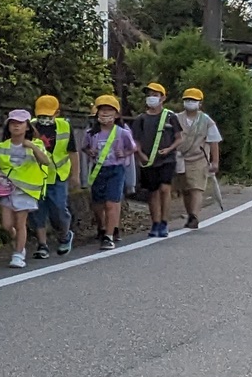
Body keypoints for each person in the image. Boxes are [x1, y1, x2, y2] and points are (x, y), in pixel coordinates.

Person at [0, 108, 54, 269]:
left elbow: (46, 161)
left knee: (20, 223)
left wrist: (32, 146)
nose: (16, 126)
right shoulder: (2, 146)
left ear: (27, 127)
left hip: (26, 191)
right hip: (6, 190)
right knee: (6, 225)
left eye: (20, 123)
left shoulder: (36, 144)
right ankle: (19, 241)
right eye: (13, 123)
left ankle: (18, 254)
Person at [78, 93, 140, 251]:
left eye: (109, 110)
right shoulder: (91, 133)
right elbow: (84, 147)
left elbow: (133, 147)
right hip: (98, 170)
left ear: (117, 114)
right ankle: (102, 227)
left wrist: (124, 154)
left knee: (112, 203)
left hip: (116, 169)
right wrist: (90, 151)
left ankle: (109, 235)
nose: (105, 113)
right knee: (98, 204)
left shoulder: (122, 132)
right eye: (102, 110)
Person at [132, 81, 183, 238]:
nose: (151, 98)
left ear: (163, 98)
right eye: (149, 95)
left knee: (165, 189)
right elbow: (136, 141)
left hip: (167, 159)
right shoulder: (141, 119)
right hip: (148, 160)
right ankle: (155, 222)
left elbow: (179, 138)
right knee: (152, 191)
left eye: (155, 95)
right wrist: (141, 155)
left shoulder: (170, 117)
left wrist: (169, 149)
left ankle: (164, 222)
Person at [30, 93, 76, 259]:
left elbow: (72, 152)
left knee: (59, 208)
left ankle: (65, 235)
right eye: (41, 115)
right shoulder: (30, 126)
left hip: (57, 175)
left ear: (57, 113)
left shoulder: (65, 127)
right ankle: (42, 245)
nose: (44, 119)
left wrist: (75, 175)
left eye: (48, 115)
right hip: (35, 176)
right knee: (37, 211)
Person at [173, 85, 223, 229]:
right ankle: (190, 214)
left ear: (200, 103)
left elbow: (214, 141)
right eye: (187, 99)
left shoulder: (206, 120)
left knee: (196, 187)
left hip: (199, 158)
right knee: (185, 189)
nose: (190, 102)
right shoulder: (176, 118)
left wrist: (215, 162)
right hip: (180, 158)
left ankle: (194, 216)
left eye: (193, 100)